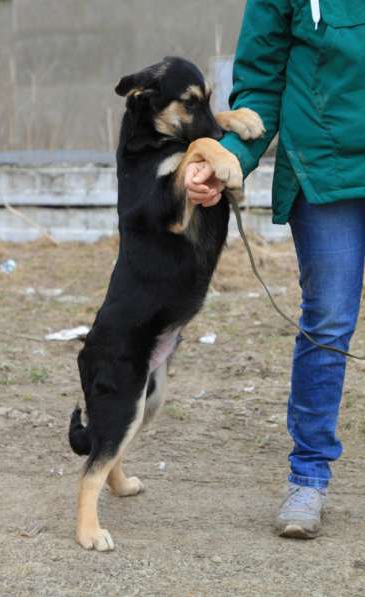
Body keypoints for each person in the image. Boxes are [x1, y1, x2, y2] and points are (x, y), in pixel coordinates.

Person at [185, 0, 365, 539]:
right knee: (329, 321)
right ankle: (308, 477)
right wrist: (226, 160)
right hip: (326, 168)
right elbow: (260, 85)